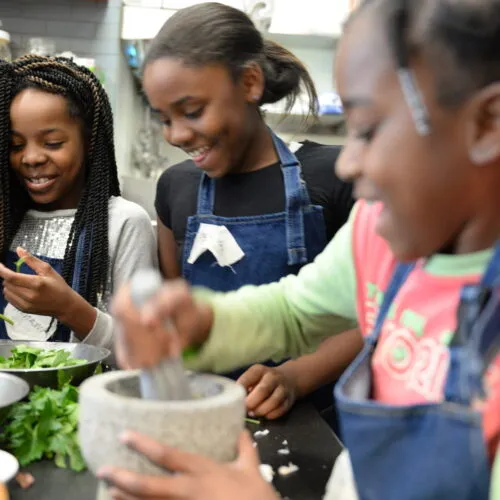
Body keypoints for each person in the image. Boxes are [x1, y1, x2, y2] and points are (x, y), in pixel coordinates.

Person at [105, 0, 500, 498]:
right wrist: (199, 322)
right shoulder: (377, 235)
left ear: (487, 124)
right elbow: (292, 312)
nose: (349, 163)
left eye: (368, 130)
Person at [146, 2, 359, 419]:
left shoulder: (335, 175)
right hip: (207, 414)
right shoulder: (175, 187)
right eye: (163, 119)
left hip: (319, 423)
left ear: (249, 82)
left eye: (191, 112)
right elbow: (183, 316)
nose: (177, 134)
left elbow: (369, 313)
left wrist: (296, 376)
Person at [0, 55, 157, 349]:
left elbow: (144, 350)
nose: (31, 158)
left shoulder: (123, 223)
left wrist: (69, 308)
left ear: (89, 141)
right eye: (16, 145)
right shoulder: (5, 218)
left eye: (52, 143)